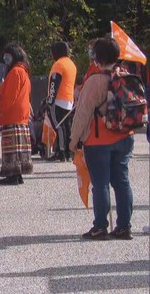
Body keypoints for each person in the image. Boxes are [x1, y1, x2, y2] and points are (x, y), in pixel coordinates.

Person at [70, 37, 136, 240]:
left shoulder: (94, 81)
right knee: (122, 181)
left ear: (97, 58)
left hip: (99, 140)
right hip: (125, 136)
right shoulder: (126, 76)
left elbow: (83, 114)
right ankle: (124, 226)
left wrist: (73, 141)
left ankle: (100, 226)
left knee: (100, 184)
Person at [0, 43, 33, 185]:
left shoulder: (15, 72)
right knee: (19, 148)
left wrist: (0, 115)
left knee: (11, 148)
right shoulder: (23, 71)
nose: (5, 58)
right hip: (21, 115)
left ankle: (12, 174)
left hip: (12, 115)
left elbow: (10, 96)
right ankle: (17, 174)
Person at [47, 41, 77, 162]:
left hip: (58, 99)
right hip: (69, 99)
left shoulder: (58, 65)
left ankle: (61, 152)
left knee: (58, 126)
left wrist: (50, 99)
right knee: (67, 126)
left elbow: (55, 82)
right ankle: (69, 151)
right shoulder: (71, 64)